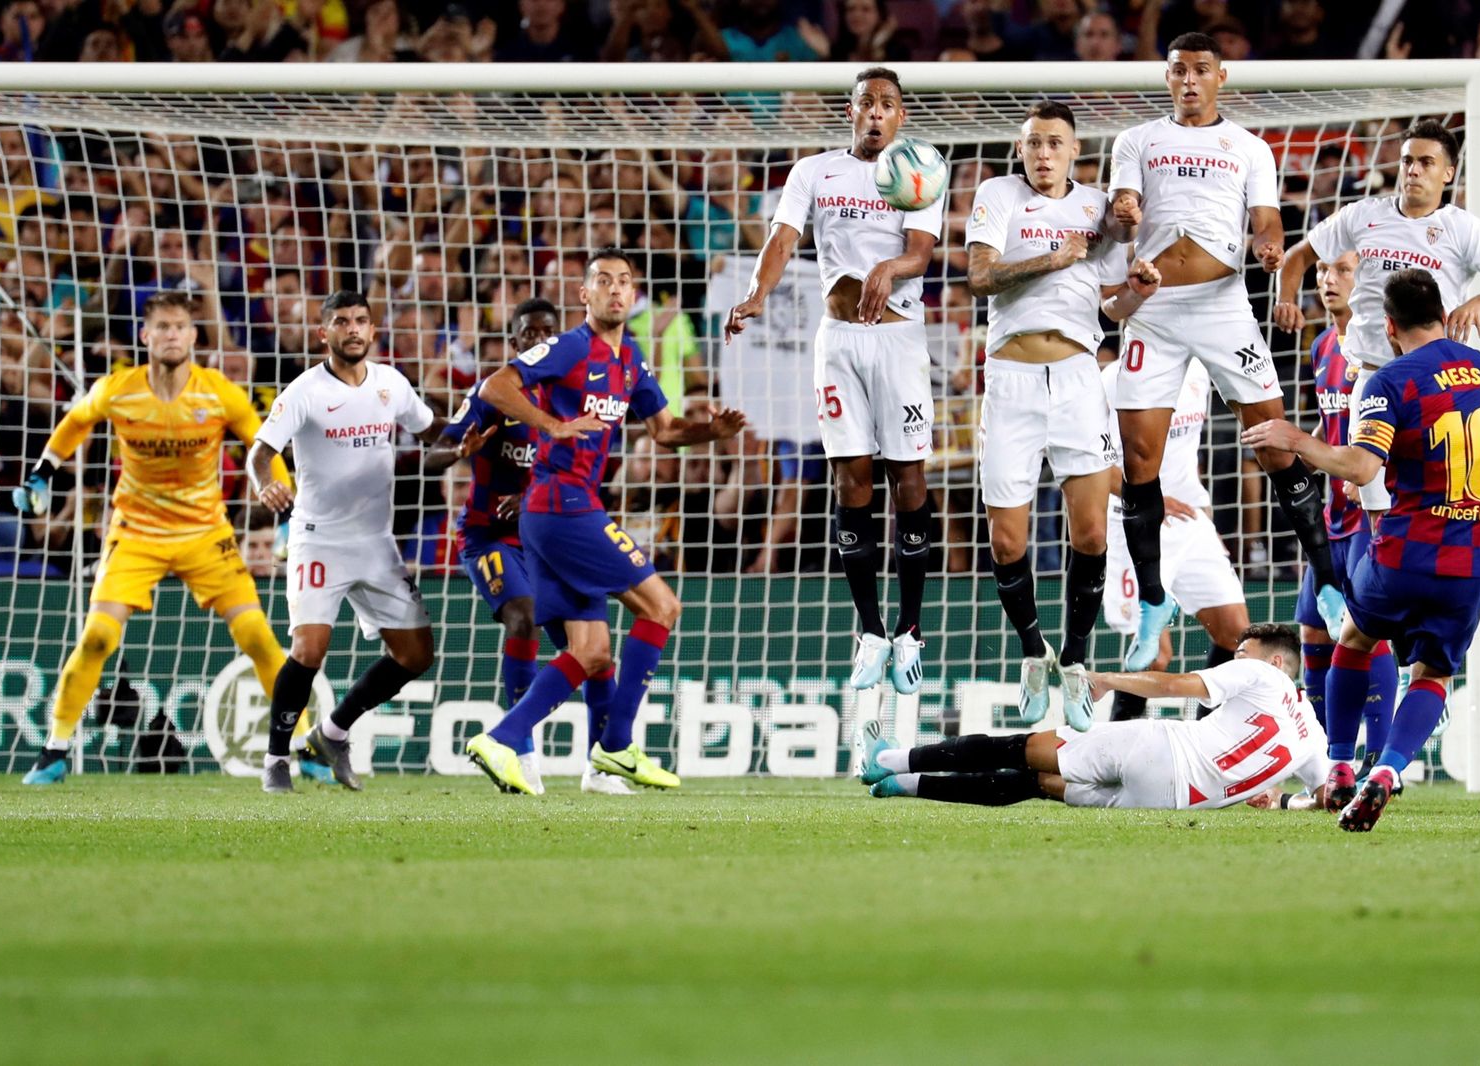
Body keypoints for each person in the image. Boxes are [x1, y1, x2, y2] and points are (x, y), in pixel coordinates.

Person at [1105, 31, 1347, 672]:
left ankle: (1326, 580)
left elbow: (1267, 221)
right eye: (1179, 70)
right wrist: (1126, 209)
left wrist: (1269, 246)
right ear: (1167, 78)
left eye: (1200, 70)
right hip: (1152, 310)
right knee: (1140, 461)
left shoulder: (1248, 148)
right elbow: (1123, 210)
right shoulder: (1136, 141)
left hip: (1221, 305)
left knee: (1272, 441)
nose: (1189, 80)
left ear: (1221, 78)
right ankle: (1153, 600)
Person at [464, 248, 746, 796]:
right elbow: (495, 387)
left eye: (625, 282)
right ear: (584, 294)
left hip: (562, 509)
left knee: (592, 651)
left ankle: (503, 737)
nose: (616, 290)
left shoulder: (632, 360)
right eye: (604, 281)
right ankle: (616, 747)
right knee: (662, 605)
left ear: (635, 295)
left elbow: (664, 430)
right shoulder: (570, 346)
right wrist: (552, 423)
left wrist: (711, 434)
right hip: (563, 504)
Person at [12, 292, 318, 786]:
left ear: (194, 336)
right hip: (136, 531)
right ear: (145, 335)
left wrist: (283, 507)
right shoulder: (119, 389)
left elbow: (263, 445)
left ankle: (304, 745)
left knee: (258, 636)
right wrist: (43, 472)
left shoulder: (219, 392)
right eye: (163, 327)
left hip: (206, 533)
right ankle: (54, 749)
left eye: (180, 326)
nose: (172, 334)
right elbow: (76, 421)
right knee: (97, 639)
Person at [1243, 269, 1480, 832]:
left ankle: (1340, 766)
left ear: (1388, 327)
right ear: (1443, 312)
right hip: (1473, 559)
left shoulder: (1392, 379)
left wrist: (1297, 441)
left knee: (1354, 639)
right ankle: (1386, 771)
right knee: (1433, 676)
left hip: (1407, 549)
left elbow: (1362, 466)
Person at [724, 66, 942, 695]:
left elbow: (921, 254)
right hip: (838, 341)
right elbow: (783, 236)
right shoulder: (814, 171)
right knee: (852, 477)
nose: (877, 112)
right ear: (852, 111)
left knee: (909, 475)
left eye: (889, 104)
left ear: (901, 116)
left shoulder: (920, 170)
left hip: (899, 340)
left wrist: (888, 266)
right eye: (867, 102)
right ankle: (871, 631)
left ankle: (911, 630)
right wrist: (757, 293)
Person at [964, 99, 1161, 728]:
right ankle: (1032, 651)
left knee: (1093, 533)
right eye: (1032, 143)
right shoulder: (998, 194)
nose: (1043, 153)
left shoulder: (1096, 207)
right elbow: (978, 277)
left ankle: (1075, 662)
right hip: (1011, 380)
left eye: (1054, 143)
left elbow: (1110, 308)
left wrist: (1137, 290)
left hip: (1077, 378)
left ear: (1075, 150)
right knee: (1006, 538)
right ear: (1020, 150)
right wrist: (1052, 257)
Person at [1275, 119, 1480, 528]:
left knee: (1441, 504)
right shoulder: (1363, 215)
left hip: (1435, 385)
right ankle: (1381, 583)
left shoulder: (1462, 228)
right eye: (1407, 161)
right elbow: (1297, 256)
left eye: (1426, 162)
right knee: (1377, 510)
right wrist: (1286, 300)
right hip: (1375, 378)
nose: (1413, 170)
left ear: (1447, 173)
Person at [249, 290, 453, 794]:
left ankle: (331, 733)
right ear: (325, 333)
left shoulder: (391, 384)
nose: (354, 330)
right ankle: (276, 761)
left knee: (416, 654)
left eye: (361, 321)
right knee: (309, 647)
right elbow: (260, 453)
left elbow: (433, 434)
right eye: (342, 322)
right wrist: (264, 483)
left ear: (373, 329)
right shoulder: (304, 391)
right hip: (319, 539)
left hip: (376, 543)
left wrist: (475, 431)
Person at [861, 623, 1328, 811]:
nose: (1237, 657)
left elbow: (1173, 685)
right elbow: (1328, 797)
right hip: (1172, 800)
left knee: (1021, 748)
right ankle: (901, 786)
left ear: (1274, 663)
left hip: (1160, 747)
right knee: (1036, 786)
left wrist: (1109, 679)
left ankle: (892, 760)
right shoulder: (1313, 737)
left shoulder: (1262, 676)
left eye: (1243, 653)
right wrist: (1283, 799)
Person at [1101, 357, 1250, 718]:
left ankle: (1208, 746)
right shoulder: (1110, 382)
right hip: (1135, 521)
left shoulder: (1198, 371)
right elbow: (1092, 466)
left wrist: (1206, 521)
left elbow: (1186, 455)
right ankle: (1113, 756)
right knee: (1156, 655)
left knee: (1239, 637)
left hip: (1188, 517)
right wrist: (1150, 500)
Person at [1294, 252, 1397, 767]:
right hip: (1330, 514)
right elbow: (1329, 423)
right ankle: (1324, 756)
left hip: (1371, 513)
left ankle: (1380, 758)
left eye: (1341, 271)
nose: (1329, 280)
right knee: (1313, 629)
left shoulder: (1381, 345)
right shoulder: (1321, 346)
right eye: (1321, 272)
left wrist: (1370, 472)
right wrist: (1300, 454)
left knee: (1362, 627)